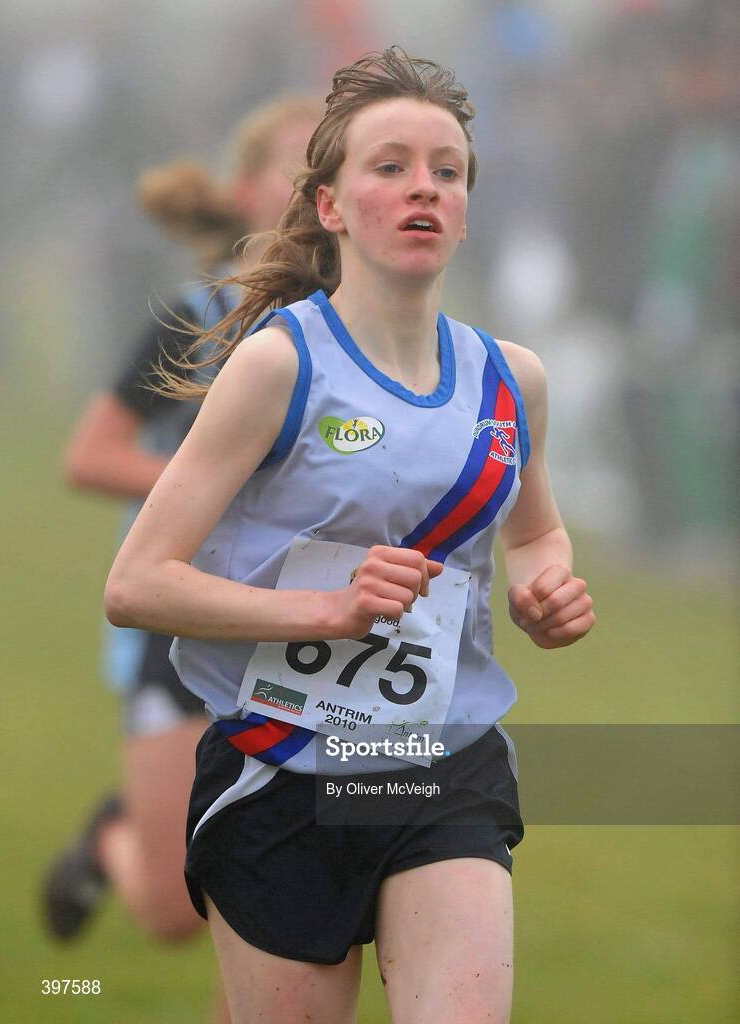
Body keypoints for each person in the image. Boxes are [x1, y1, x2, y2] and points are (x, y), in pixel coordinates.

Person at [105, 48, 595, 1024]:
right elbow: (136, 583)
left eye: (446, 170)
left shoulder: (512, 381)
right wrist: (320, 611)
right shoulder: (278, 366)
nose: (423, 186)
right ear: (329, 204)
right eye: (390, 166)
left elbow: (535, 535)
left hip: (440, 758)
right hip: (276, 768)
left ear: (463, 204)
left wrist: (548, 585)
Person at [42, 96, 319, 1023]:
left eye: (324, 165)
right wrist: (205, 489)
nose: (306, 184)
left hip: (306, 641)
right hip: (181, 618)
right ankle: (110, 838)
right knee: (169, 911)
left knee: (264, 906)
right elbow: (88, 455)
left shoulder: (363, 335)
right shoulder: (194, 321)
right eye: (291, 163)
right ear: (245, 192)